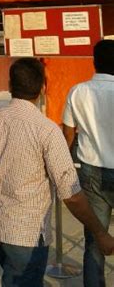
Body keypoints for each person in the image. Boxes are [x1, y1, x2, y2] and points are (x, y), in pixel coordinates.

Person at [0, 57, 114, 286]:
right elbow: (71, 195)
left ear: (10, 86)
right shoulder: (47, 132)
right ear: (43, 88)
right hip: (25, 235)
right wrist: (100, 233)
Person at [63, 39, 114, 287]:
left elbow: (69, 133)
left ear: (95, 63)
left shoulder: (78, 91)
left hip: (91, 169)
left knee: (96, 238)